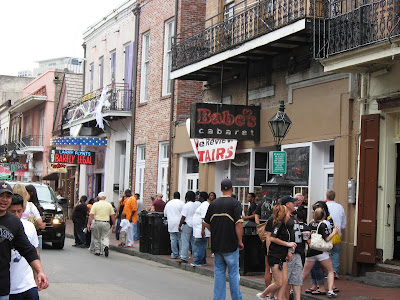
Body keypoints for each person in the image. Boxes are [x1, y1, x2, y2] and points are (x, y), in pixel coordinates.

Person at [0, 181, 49, 298]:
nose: (4, 200)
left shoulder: (14, 223)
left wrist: (40, 271)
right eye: (1, 196)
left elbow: (28, 249)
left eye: (8, 196)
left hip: (2, 287)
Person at [204, 178, 244, 300]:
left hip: (217, 244)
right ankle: (236, 298)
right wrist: (240, 240)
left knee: (219, 273)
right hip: (231, 244)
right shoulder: (235, 203)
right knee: (233, 274)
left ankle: (219, 298)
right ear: (232, 189)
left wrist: (215, 231)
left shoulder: (213, 204)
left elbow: (206, 223)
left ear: (221, 189)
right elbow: (238, 224)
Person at [256, 205, 296, 300]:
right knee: (279, 282)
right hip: (275, 256)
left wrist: (287, 252)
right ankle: (263, 295)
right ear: (284, 214)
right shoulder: (279, 224)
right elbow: (272, 238)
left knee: (284, 281)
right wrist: (287, 244)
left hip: (282, 255)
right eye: (287, 212)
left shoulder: (285, 225)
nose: (289, 215)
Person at [8, 194, 40, 300]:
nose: (16, 215)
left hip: (27, 285)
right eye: (12, 211)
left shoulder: (29, 227)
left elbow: (34, 251)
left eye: (19, 211)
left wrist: (38, 273)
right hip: (8, 288)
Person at [302, 207, 339, 299]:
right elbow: (327, 238)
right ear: (323, 215)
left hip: (311, 251)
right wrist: (334, 232)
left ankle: (292, 288)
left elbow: (306, 237)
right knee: (330, 270)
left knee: (304, 272)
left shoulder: (310, 224)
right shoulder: (323, 225)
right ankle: (330, 290)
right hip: (321, 251)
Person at [281, 195, 304, 300]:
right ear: (287, 205)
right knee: (285, 279)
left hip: (297, 251)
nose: (295, 204)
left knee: (297, 279)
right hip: (289, 252)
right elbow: (283, 235)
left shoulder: (293, 217)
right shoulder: (283, 218)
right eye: (292, 202)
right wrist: (287, 251)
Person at [87, 192, 116, 257]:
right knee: (105, 236)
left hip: (97, 222)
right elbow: (112, 215)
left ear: (98, 197)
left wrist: (89, 223)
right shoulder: (109, 205)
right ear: (105, 198)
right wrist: (114, 224)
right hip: (106, 222)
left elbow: (91, 215)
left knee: (97, 237)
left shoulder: (95, 204)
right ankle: (105, 246)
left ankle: (97, 251)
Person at [325, 190, 346, 279]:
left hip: (326, 234)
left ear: (326, 196)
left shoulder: (324, 207)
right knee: (336, 252)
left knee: (326, 253)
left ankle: (327, 272)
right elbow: (343, 222)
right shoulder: (340, 207)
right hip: (337, 234)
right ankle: (334, 271)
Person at [178, 191, 200, 263]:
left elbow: (183, 217)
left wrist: (179, 225)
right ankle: (196, 256)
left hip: (187, 224)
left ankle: (184, 257)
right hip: (194, 224)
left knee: (185, 241)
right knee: (194, 241)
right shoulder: (196, 205)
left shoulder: (186, 205)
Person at [191, 191, 210, 266]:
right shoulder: (203, 205)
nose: (198, 198)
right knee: (201, 245)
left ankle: (198, 261)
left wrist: (203, 230)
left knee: (199, 245)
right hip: (199, 228)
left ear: (201, 197)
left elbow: (204, 218)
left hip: (201, 229)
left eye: (199, 196)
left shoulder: (205, 205)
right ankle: (202, 260)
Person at [164, 192, 184, 259]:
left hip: (171, 222)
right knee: (180, 239)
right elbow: (184, 214)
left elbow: (165, 214)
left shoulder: (169, 203)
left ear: (173, 196)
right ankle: (181, 254)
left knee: (173, 239)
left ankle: (174, 254)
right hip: (179, 222)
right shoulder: (182, 203)